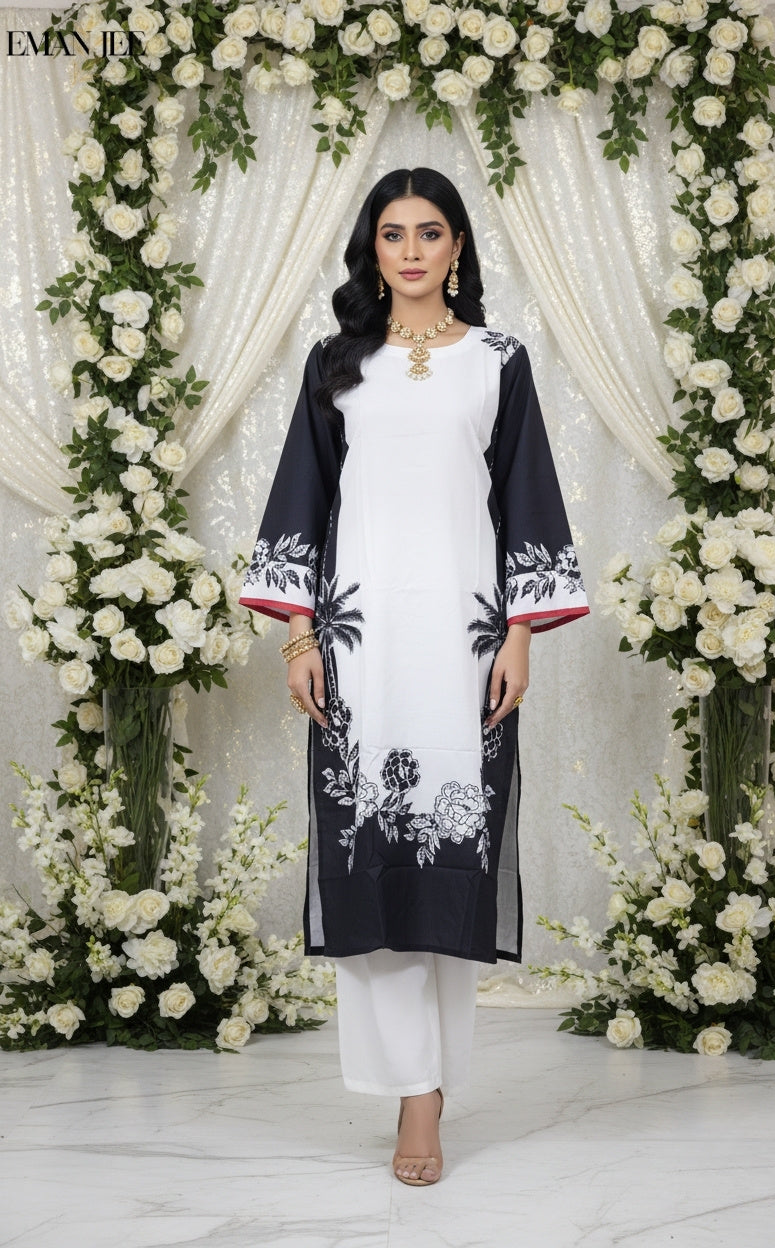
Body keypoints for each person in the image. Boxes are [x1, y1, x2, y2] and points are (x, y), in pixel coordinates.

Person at [239, 167, 589, 1186]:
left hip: (463, 649)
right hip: (361, 650)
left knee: (448, 862)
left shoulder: (498, 361)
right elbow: (301, 502)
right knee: (369, 860)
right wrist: (299, 639)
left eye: (429, 232)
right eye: (392, 234)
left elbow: (525, 500)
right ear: (372, 249)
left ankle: (426, 1097)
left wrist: (520, 638)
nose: (410, 252)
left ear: (459, 246)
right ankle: (408, 1092)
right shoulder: (335, 364)